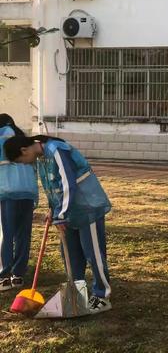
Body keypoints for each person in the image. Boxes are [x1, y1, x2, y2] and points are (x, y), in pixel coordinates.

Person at [4, 134, 113, 313]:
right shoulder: (41, 159)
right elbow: (52, 187)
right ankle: (78, 292)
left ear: (24, 150)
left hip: (87, 208)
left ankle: (102, 296)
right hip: (67, 211)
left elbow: (68, 184)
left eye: (22, 160)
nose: (25, 164)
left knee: (93, 254)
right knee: (70, 254)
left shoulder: (56, 150)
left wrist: (60, 214)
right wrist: (52, 210)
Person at [0, 114, 38, 292]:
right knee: (23, 233)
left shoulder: (1, 138)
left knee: (5, 234)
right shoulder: (23, 139)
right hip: (28, 192)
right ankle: (18, 275)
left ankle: (4, 276)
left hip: (7, 192)